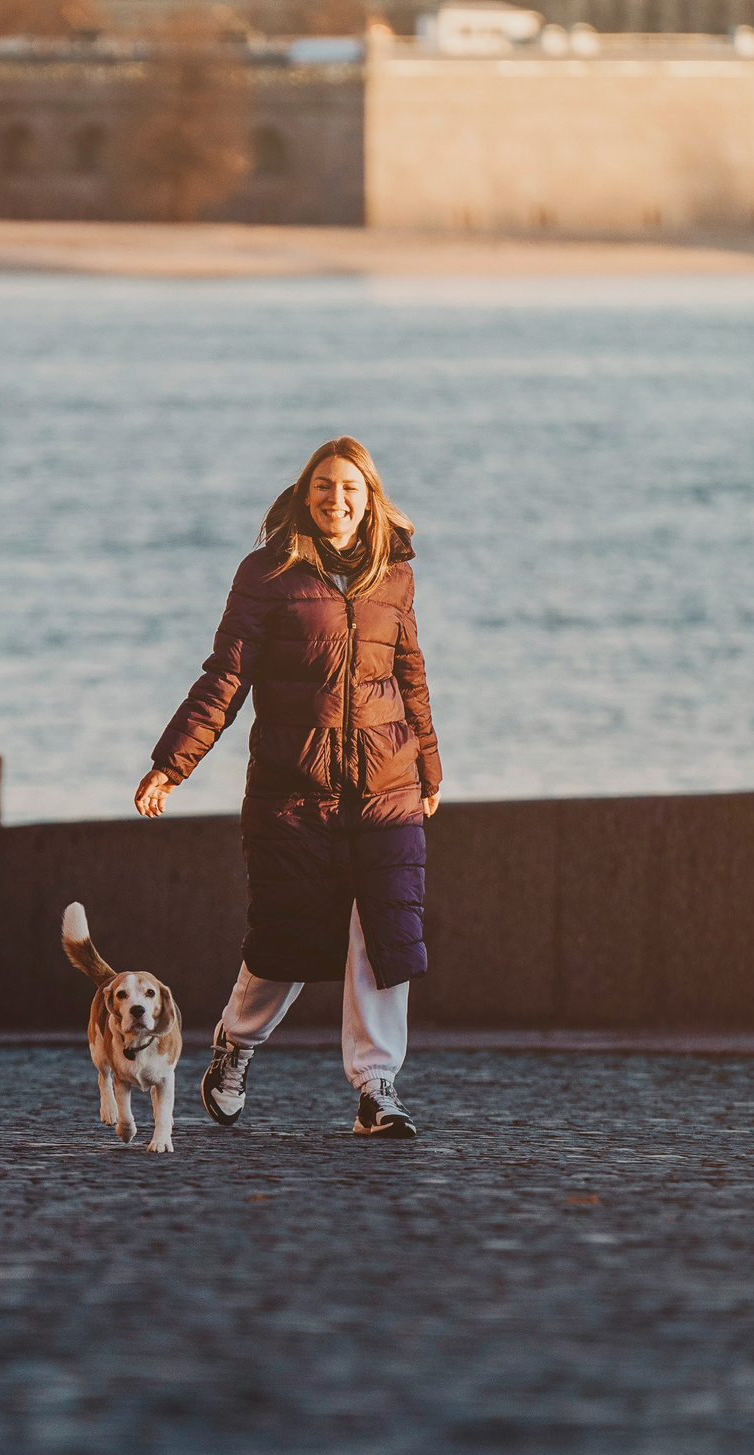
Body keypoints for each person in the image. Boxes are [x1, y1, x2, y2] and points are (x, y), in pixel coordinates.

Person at [135, 437, 442, 1136]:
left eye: (350, 490)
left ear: (370, 503)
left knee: (382, 937)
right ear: (305, 497)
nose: (336, 500)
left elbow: (410, 673)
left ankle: (376, 1088)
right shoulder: (267, 574)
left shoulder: (393, 575)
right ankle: (235, 1047)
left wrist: (429, 765)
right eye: (323, 488)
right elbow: (225, 679)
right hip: (293, 790)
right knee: (285, 936)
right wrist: (170, 765)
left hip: (386, 786)